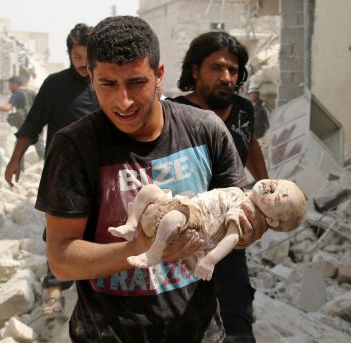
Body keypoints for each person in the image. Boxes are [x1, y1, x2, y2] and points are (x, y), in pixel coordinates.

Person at [38, 16, 268, 342]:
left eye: (136, 82)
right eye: (108, 84)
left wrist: (247, 226)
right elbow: (61, 259)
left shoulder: (205, 130)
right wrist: (140, 248)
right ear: (91, 78)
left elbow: (238, 213)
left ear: (159, 75)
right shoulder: (74, 147)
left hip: (197, 332)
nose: (124, 101)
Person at [173, 31, 269, 342]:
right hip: (183, 234)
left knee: (236, 321)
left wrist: (265, 185)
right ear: (195, 70)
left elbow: (250, 144)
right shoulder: (174, 113)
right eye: (216, 68)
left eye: (233, 70)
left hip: (230, 229)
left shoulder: (243, 109)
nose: (226, 77)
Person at [4, 23, 99, 319]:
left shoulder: (107, 82)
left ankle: (95, 294)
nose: (82, 63)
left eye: (87, 56)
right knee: (61, 236)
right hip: (64, 175)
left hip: (102, 174)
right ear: (69, 54)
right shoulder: (55, 85)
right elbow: (32, 125)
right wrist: (15, 159)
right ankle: (55, 289)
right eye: (76, 56)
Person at [110, 179, 306, 281]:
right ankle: (131, 225)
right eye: (278, 183)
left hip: (196, 221)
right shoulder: (243, 195)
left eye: (279, 196)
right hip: (184, 205)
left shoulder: (247, 214)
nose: (273, 187)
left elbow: (231, 238)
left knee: (172, 219)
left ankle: (153, 253)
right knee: (149, 191)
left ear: (271, 221)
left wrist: (210, 261)